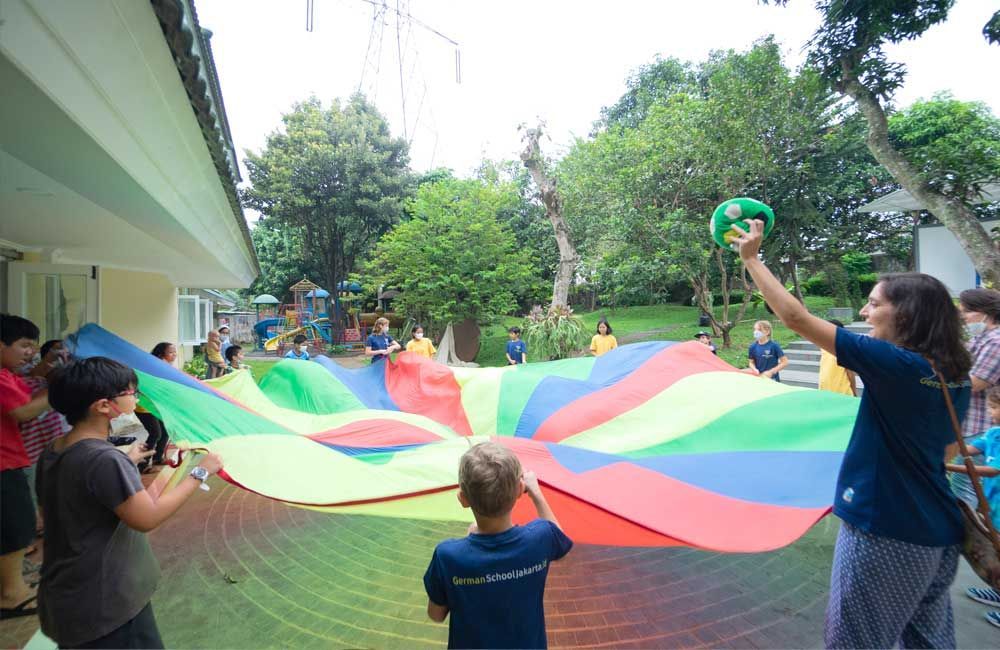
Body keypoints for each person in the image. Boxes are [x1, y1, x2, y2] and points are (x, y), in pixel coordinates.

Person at [731, 218, 971, 648]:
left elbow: (796, 318)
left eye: (874, 303)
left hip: (886, 532)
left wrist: (751, 259)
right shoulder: (954, 375)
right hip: (939, 533)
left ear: (907, 314)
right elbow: (946, 452)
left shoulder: (896, 365)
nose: (864, 312)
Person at [38, 357, 224, 648]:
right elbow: (146, 518)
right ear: (103, 406)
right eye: (130, 393)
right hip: (105, 603)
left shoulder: (56, 448)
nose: (135, 397)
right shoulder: (104, 460)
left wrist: (126, 460)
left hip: (67, 594)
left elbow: (83, 487)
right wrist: (201, 472)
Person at [423, 442, 573, 649]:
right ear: (520, 490)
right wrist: (536, 492)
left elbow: (436, 614)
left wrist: (468, 543)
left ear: (463, 499)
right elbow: (559, 540)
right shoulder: (540, 538)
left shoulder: (447, 556)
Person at [0, 315, 51, 620]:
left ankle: (11, 582)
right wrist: (58, 390)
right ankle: (12, 595)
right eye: (24, 345)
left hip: (8, 459)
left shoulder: (8, 374)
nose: (30, 351)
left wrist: (46, 372)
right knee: (16, 527)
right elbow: (22, 411)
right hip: (4, 462)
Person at [945, 385, 1000, 627]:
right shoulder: (993, 434)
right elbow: (967, 450)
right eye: (990, 406)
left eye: (994, 407)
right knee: (996, 550)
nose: (990, 412)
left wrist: (951, 467)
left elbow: (993, 470)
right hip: (993, 509)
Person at [952, 289, 1000, 508]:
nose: (963, 317)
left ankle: (971, 538)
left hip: (984, 426)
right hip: (972, 425)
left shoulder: (996, 342)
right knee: (969, 486)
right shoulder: (979, 339)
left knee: (965, 488)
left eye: (966, 312)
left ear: (985, 313)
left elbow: (974, 383)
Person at [818, 320, 858, 397]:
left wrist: (854, 391)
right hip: (825, 392)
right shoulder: (823, 347)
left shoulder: (844, 349)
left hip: (842, 392)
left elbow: (850, 373)